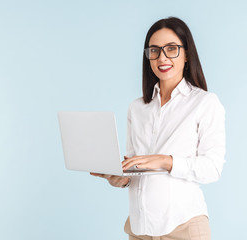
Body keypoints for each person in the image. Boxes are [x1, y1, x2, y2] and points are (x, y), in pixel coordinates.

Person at [90, 16, 225, 240]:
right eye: (154, 50)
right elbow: (136, 170)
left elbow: (212, 168)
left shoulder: (205, 103)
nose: (162, 57)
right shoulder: (137, 108)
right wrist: (119, 176)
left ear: (187, 54)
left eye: (171, 49)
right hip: (139, 228)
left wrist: (164, 160)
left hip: (184, 227)